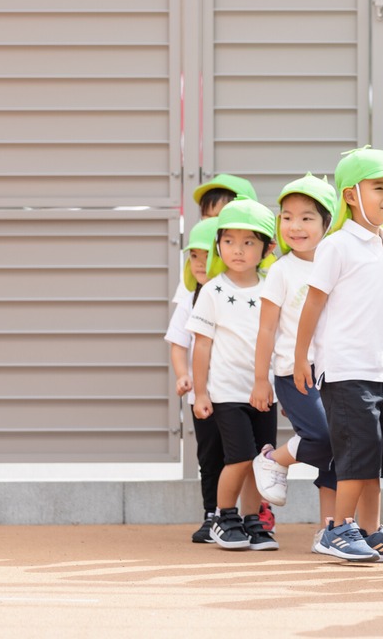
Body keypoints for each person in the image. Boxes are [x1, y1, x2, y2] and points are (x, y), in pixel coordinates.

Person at [293, 147, 383, 563]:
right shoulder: (337, 245)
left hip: (381, 370)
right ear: (350, 195)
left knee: (376, 455)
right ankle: (337, 528)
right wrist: (299, 358)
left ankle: (371, 529)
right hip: (344, 367)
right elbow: (312, 304)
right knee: (357, 451)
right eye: (379, 187)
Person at [250, 174, 340, 554]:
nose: (295, 226)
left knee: (340, 453)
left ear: (326, 223)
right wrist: (260, 380)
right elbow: (267, 329)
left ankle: (330, 531)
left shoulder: (338, 261)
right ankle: (274, 459)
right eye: (287, 217)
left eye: (307, 217)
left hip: (336, 372)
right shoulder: (282, 270)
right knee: (322, 437)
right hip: (292, 370)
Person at [186, 197, 279, 551]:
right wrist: (201, 393)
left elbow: (279, 340)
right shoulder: (212, 290)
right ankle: (225, 517)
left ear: (267, 248)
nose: (237, 250)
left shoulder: (271, 287)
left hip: (263, 393)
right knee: (239, 456)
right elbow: (202, 345)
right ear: (218, 245)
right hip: (226, 392)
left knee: (261, 460)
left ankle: (252, 520)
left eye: (248, 242)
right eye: (229, 241)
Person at [164, 218, 223, 543]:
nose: (200, 264)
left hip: (235, 392)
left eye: (206, 256)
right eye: (194, 257)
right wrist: (184, 375)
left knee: (241, 455)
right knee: (209, 456)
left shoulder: (234, 292)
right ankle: (211, 514)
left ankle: (241, 515)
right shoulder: (190, 297)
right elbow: (178, 343)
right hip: (201, 396)